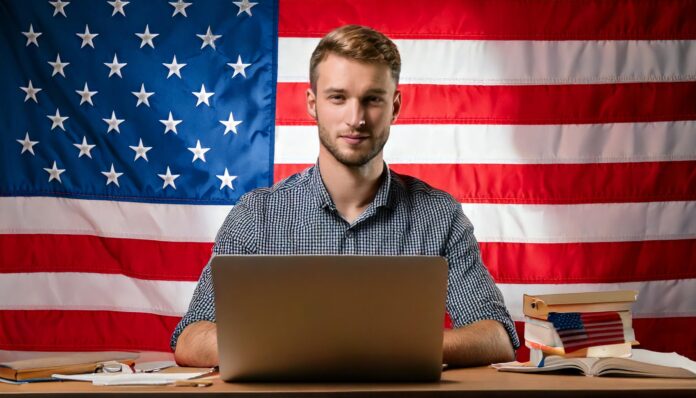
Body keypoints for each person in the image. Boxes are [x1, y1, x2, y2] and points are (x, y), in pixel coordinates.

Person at [171, 24, 519, 367]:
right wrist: (312, 348)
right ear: (312, 103)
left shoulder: (438, 215)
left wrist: (392, 348)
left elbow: (496, 336)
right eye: (338, 98)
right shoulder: (257, 215)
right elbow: (191, 339)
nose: (356, 119)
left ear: (395, 107)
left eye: (372, 100)